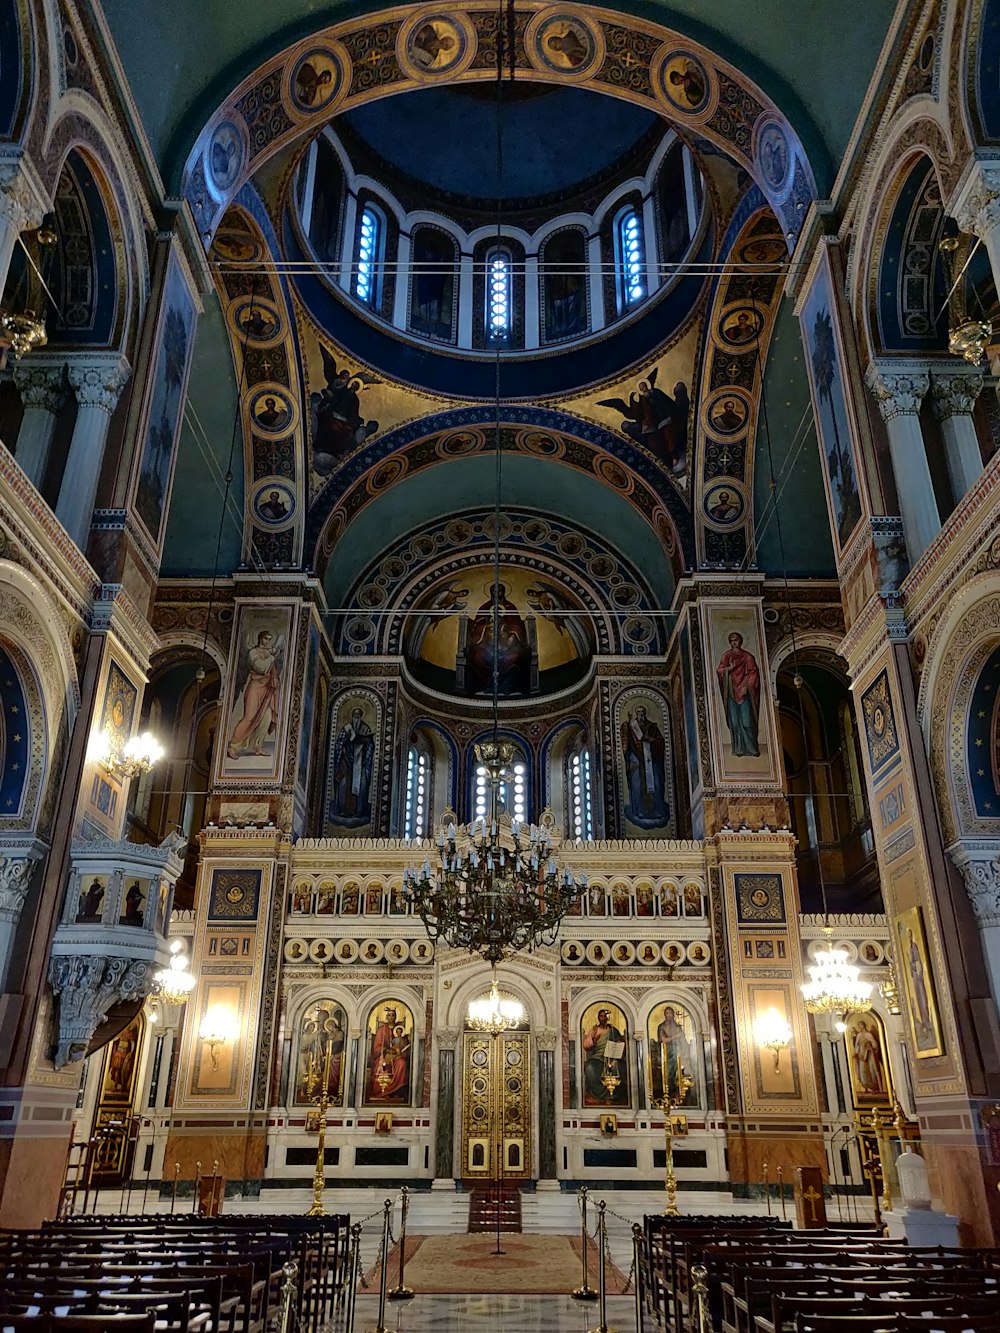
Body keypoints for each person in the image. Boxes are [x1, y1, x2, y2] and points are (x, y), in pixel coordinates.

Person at [227, 629, 282, 760]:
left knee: (267, 717)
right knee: (249, 717)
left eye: (269, 639)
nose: (267, 641)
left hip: (267, 689)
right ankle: (233, 746)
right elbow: (261, 668)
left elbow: (273, 671)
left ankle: (257, 746)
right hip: (255, 687)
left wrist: (275, 679)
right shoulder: (252, 653)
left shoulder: (268, 653)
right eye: (265, 638)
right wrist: (272, 657)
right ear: (260, 638)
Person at [621, 704, 669, 828]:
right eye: (639, 713)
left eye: (642, 713)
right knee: (637, 785)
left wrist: (652, 741)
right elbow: (626, 745)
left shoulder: (652, 727)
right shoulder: (631, 727)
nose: (641, 715)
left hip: (651, 761)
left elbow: (660, 742)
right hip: (637, 761)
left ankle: (657, 811)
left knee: (656, 783)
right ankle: (639, 811)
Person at [716, 631, 761, 757]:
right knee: (735, 722)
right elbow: (719, 670)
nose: (734, 642)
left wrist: (747, 686)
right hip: (731, 692)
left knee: (747, 721)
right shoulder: (726, 656)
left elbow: (753, 673)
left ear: (740, 641)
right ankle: (738, 749)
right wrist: (728, 669)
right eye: (732, 640)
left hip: (744, 691)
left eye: (736, 640)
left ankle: (751, 749)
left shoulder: (748, 657)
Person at [329, 706, 375, 826]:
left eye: (358, 716)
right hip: (346, 761)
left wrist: (363, 742)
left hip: (360, 762)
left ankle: (359, 811)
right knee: (344, 784)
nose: (356, 718)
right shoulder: (346, 729)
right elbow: (339, 744)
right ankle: (342, 810)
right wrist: (347, 741)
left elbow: (370, 745)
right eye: (354, 716)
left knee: (361, 785)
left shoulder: (365, 729)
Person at [582, 1008, 628, 1105]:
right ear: (598, 1018)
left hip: (612, 1056)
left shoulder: (613, 1030)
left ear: (607, 1018)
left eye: (605, 1016)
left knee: (620, 1067)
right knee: (590, 1067)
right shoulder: (595, 1030)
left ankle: (614, 1095)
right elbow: (586, 1046)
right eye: (601, 1016)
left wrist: (619, 1042)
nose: (603, 1018)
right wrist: (594, 1039)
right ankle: (600, 1095)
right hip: (598, 1057)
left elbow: (620, 1041)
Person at [653, 1005, 691, 1103]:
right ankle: (668, 1096)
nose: (669, 1015)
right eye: (667, 1013)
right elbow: (663, 1040)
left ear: (673, 1015)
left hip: (678, 1053)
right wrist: (677, 1036)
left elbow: (683, 1040)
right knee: (668, 1074)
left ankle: (679, 1096)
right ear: (664, 1015)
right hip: (667, 1053)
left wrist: (686, 1053)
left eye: (670, 1013)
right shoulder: (661, 1027)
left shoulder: (678, 1027)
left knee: (679, 1074)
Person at [851, 1018, 885, 1095]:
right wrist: (856, 1053)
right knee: (862, 1071)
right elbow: (857, 1045)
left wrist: (871, 1048)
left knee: (871, 1070)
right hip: (861, 1055)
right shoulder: (859, 1035)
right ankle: (866, 1087)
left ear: (864, 1025)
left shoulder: (868, 1034)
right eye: (859, 1025)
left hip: (869, 1054)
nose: (861, 1027)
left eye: (861, 1025)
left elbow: (874, 1043)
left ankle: (874, 1088)